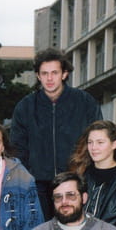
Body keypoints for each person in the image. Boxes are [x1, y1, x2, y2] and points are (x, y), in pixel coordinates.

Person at [9, 48, 102, 220]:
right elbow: (17, 148)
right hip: (38, 186)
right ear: (38, 76)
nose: (49, 78)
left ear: (64, 74)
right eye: (44, 73)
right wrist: (28, 178)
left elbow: (98, 139)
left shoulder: (84, 102)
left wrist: (86, 174)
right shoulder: (25, 107)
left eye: (54, 73)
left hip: (76, 182)